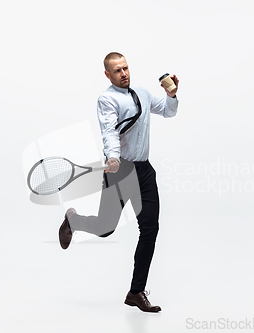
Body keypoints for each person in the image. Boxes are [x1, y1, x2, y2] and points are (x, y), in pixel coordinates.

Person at [58, 52, 179, 312]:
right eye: (117, 71)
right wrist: (112, 158)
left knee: (150, 229)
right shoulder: (107, 99)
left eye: (125, 68)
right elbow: (109, 130)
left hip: (144, 170)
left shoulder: (143, 93)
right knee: (105, 228)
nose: (123, 74)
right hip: (120, 170)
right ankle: (73, 220)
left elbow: (168, 112)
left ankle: (136, 292)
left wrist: (171, 96)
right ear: (107, 75)